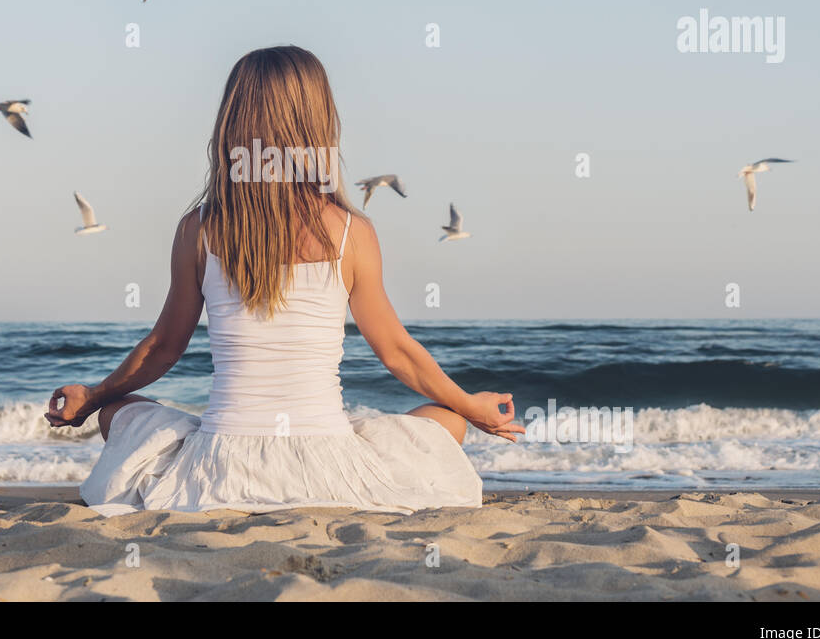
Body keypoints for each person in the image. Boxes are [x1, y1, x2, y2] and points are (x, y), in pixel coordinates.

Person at [45, 45, 523, 514]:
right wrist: (470, 405)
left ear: (232, 125)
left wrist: (95, 396)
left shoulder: (199, 229)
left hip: (221, 461)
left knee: (117, 415)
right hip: (326, 458)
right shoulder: (352, 232)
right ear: (317, 123)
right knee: (448, 421)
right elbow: (396, 352)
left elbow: (164, 346)